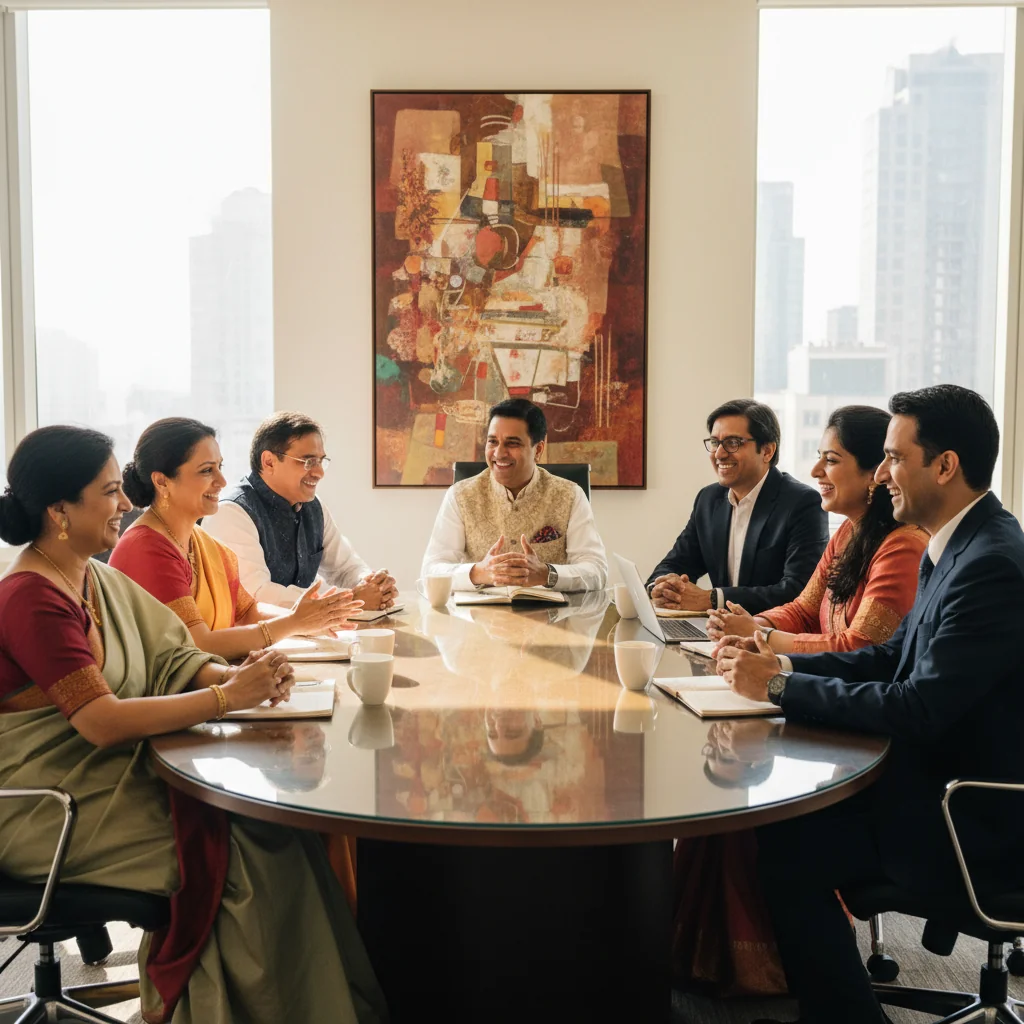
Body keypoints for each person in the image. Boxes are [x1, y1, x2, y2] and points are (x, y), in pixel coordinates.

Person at [0, 425, 387, 1024]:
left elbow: (173, 656)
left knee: (275, 828)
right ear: (59, 511)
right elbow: (100, 722)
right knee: (248, 846)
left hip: (101, 778)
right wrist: (228, 698)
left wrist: (242, 675)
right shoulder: (31, 595)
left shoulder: (91, 575)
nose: (125, 503)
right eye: (108, 492)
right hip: (52, 803)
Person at [714, 385, 1024, 1024]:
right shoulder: (958, 544)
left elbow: (918, 708)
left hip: (972, 814)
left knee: (787, 842)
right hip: (933, 781)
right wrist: (783, 668)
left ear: (944, 465)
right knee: (779, 824)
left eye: (893, 457)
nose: (883, 475)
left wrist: (779, 688)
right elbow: (888, 659)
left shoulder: (990, 563)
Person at [673, 406, 927, 996]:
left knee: (743, 797)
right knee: (724, 774)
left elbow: (862, 645)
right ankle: (706, 954)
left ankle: (760, 968)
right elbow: (805, 606)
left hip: (855, 723)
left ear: (874, 474)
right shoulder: (850, 533)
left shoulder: (901, 546)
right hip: (818, 701)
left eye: (832, 459)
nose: (815, 468)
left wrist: (765, 642)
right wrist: (746, 623)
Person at [110, 418, 364, 661]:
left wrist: (308, 621)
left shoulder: (206, 545)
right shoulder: (146, 547)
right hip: (162, 699)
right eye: (207, 470)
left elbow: (246, 611)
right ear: (162, 481)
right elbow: (196, 644)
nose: (221, 481)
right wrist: (293, 623)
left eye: (220, 467)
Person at [202, 412, 398, 611]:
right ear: (269, 462)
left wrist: (372, 584)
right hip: (253, 641)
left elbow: (345, 567)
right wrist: (349, 598)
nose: (319, 472)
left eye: (321, 461)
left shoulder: (314, 507)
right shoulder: (231, 513)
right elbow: (257, 594)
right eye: (308, 461)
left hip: (304, 637)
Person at [647, 399, 827, 615]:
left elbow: (798, 591)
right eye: (715, 443)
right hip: (716, 632)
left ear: (767, 451)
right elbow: (677, 562)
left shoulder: (803, 503)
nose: (719, 454)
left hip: (769, 637)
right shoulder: (709, 499)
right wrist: (662, 587)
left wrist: (712, 599)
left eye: (733, 443)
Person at [421, 398, 608, 591]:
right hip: (477, 618)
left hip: (553, 617)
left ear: (539, 450)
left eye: (512, 443)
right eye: (492, 442)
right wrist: (477, 573)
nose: (499, 453)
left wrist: (547, 574)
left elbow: (597, 571)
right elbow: (430, 572)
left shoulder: (570, 495)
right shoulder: (460, 496)